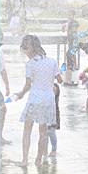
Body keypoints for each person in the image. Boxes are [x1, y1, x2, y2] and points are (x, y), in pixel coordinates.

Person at [14, 35, 63, 166]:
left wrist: (20, 94)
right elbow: (60, 80)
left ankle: (24, 160)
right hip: (48, 100)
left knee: (27, 129)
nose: (25, 52)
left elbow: (28, 85)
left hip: (35, 99)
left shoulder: (30, 64)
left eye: (25, 49)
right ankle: (38, 160)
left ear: (31, 49)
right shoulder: (52, 61)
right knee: (43, 131)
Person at [47, 83, 61, 157]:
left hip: (53, 114)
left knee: (51, 132)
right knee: (45, 133)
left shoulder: (54, 87)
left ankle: (54, 150)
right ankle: (44, 150)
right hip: (45, 113)